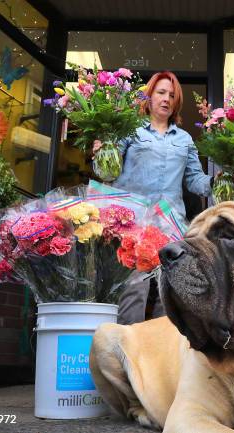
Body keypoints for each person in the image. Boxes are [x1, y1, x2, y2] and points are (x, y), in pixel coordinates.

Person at [93, 71, 213, 325]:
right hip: (132, 222)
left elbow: (195, 181)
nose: (166, 99)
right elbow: (109, 171)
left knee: (167, 292)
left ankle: (160, 358)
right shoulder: (130, 130)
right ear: (149, 96)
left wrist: (221, 180)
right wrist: (101, 153)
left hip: (170, 224)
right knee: (133, 290)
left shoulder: (184, 139)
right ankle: (128, 354)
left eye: (172, 95)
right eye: (161, 93)